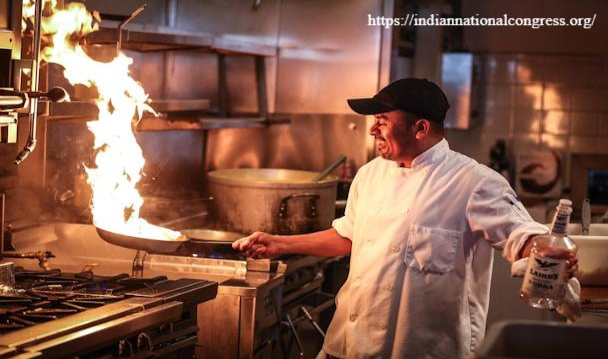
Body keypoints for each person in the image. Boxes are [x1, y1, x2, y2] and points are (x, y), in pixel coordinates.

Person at [232, 78, 577, 359]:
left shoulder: (472, 182)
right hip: (347, 343)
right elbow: (350, 237)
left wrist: (543, 248)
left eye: (382, 121)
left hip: (423, 350)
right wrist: (279, 243)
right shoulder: (370, 175)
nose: (372, 131)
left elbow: (522, 232)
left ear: (420, 128)